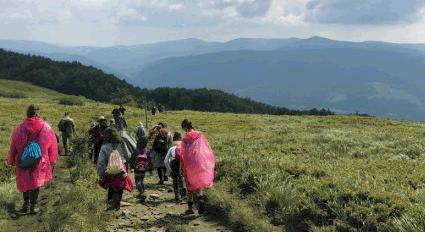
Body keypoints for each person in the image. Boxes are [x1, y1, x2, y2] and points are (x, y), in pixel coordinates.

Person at [6, 105, 58, 214]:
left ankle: (25, 204)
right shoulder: (46, 127)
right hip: (39, 161)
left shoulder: (19, 128)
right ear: (37, 114)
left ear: (27, 113)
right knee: (36, 183)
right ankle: (33, 207)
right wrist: (52, 160)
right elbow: (53, 145)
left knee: (25, 181)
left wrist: (11, 159)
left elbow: (13, 146)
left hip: (23, 159)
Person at [176, 119, 215, 215]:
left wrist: (181, 166)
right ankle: (201, 201)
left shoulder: (185, 140)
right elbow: (207, 148)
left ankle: (190, 208)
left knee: (189, 186)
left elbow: (182, 154)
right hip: (200, 163)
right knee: (198, 184)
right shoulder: (200, 136)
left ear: (185, 127)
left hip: (189, 165)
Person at [97, 127, 133, 211]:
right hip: (121, 168)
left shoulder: (104, 147)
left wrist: (100, 173)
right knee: (119, 186)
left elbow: (100, 162)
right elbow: (128, 156)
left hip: (109, 169)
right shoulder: (122, 143)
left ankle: (111, 203)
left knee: (111, 185)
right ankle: (117, 204)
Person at [164, 132, 186, 201]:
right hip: (182, 163)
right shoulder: (184, 147)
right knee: (181, 176)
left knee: (175, 179)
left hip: (174, 164)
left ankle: (177, 195)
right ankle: (184, 189)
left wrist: (168, 169)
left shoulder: (172, 148)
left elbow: (165, 160)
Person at [131, 136, 149, 202]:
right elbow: (149, 159)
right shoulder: (146, 151)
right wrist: (149, 168)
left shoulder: (136, 151)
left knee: (137, 181)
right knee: (141, 180)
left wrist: (131, 166)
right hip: (144, 169)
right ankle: (142, 192)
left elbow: (132, 159)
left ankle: (142, 193)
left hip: (137, 169)